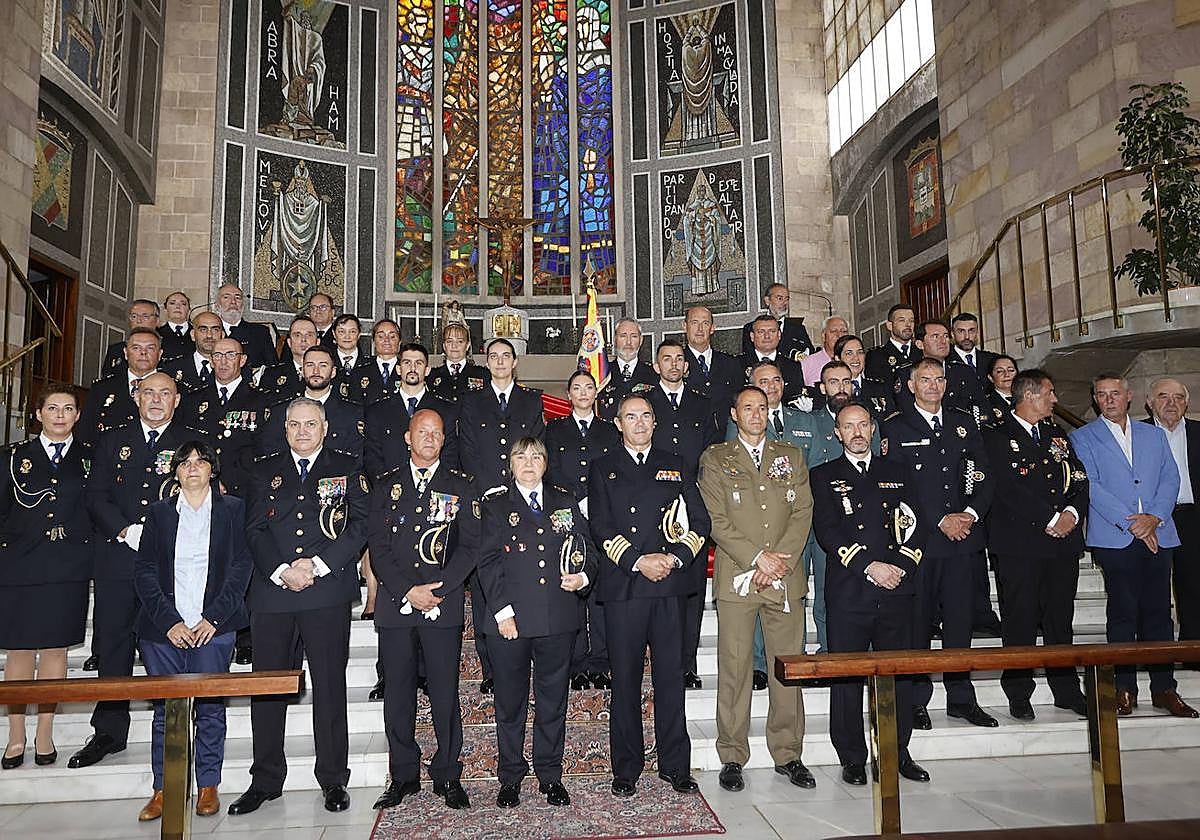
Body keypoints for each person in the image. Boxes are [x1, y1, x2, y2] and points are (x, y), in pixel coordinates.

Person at [230, 398, 370, 815]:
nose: (303, 432)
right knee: (267, 690)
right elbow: (254, 528)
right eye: (295, 425)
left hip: (326, 591)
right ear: (285, 428)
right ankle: (265, 780)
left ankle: (333, 778)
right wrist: (281, 570)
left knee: (329, 687)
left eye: (311, 424)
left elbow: (360, 524)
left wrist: (318, 565)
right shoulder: (264, 469)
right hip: (273, 593)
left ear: (325, 427)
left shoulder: (347, 467)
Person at [72, 372, 209, 769]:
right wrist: (124, 529)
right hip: (119, 559)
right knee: (113, 645)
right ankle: (109, 731)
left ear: (177, 400)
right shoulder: (112, 440)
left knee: (169, 645)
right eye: (148, 392)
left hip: (172, 564)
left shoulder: (192, 443)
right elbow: (95, 495)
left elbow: (205, 497)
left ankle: (175, 728)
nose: (156, 399)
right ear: (136, 396)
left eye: (165, 393)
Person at [587, 394, 711, 798]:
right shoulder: (602, 467)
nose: (638, 423)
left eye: (645, 416)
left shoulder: (676, 464)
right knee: (625, 681)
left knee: (671, 679)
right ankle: (626, 769)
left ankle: (675, 765)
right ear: (618, 424)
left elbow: (701, 521)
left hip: (669, 586)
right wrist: (638, 561)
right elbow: (600, 526)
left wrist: (673, 559)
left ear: (655, 422)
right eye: (630, 417)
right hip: (626, 587)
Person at [699, 386, 815, 794]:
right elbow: (714, 518)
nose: (756, 414)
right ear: (734, 413)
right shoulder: (717, 458)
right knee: (735, 668)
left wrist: (778, 561)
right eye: (747, 408)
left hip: (784, 576)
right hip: (739, 578)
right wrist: (756, 559)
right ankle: (732, 755)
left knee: (787, 667)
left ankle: (788, 753)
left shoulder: (791, 456)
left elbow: (802, 511)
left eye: (762, 407)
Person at [810, 402, 930, 786]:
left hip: (896, 588)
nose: (857, 432)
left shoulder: (898, 471)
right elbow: (828, 532)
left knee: (897, 677)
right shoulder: (823, 476)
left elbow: (918, 524)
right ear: (837, 433)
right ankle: (852, 757)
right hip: (851, 591)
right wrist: (869, 566)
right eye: (849, 426)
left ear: (873, 428)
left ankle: (896, 752)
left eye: (863, 424)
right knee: (847, 679)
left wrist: (901, 566)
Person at [132, 441, 252, 821]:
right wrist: (169, 622)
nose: (193, 468)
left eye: (201, 462)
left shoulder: (234, 510)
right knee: (166, 713)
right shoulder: (159, 514)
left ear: (212, 469)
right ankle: (164, 789)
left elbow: (240, 569)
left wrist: (213, 619)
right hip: (163, 631)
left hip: (213, 628)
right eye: (185, 463)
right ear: (176, 472)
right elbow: (145, 571)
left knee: (211, 708)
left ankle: (207, 786)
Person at [367, 409, 479, 812]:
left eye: (436, 433)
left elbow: (470, 546)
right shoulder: (386, 486)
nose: (429, 438)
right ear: (407, 437)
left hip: (441, 605)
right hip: (397, 606)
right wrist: (407, 590)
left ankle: (448, 773)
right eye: (422, 432)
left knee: (445, 693)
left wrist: (440, 589)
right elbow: (378, 547)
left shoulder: (461, 486)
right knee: (398, 694)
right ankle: (403, 775)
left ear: (444, 440)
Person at [1071, 375, 1198, 718]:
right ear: (1095, 399)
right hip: (1116, 537)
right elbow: (1091, 486)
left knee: (1159, 613)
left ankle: (1164, 688)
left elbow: (1171, 478)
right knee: (1123, 612)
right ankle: (1124, 688)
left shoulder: (1153, 435)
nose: (1109, 399)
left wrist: (1154, 518)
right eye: (1102, 395)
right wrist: (1134, 523)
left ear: (1129, 397)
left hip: (1160, 532)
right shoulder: (1082, 437)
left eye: (1115, 393)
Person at [881, 358, 998, 731]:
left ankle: (961, 698)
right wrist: (939, 520)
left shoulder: (963, 422)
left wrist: (970, 514)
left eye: (938, 379)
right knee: (918, 625)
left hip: (963, 541)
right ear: (911, 385)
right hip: (921, 544)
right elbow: (896, 486)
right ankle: (916, 699)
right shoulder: (895, 427)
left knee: (960, 624)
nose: (933, 385)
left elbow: (984, 473)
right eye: (925, 379)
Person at [478, 438, 596, 807]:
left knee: (552, 702)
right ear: (510, 464)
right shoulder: (496, 505)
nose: (528, 463)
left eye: (536, 456)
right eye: (521, 456)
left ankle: (550, 775)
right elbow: (487, 562)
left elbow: (589, 550)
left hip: (556, 618)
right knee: (510, 705)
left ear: (546, 463)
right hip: (510, 621)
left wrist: (582, 577)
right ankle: (511, 777)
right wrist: (502, 613)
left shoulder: (564, 500)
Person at [981, 370, 1089, 720]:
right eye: (1050, 392)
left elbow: (1079, 479)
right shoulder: (996, 436)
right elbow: (1006, 489)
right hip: (1020, 545)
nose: (1055, 399)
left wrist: (1072, 513)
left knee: (1060, 620)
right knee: (1020, 620)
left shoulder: (1057, 434)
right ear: (1029, 396)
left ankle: (1066, 690)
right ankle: (1019, 692)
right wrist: (1050, 518)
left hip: (1062, 545)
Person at [0, 386, 93, 769]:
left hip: (68, 568)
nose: (60, 415)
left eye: (68, 409)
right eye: (52, 408)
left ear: (77, 416)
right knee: (19, 652)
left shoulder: (90, 458)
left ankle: (44, 734)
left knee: (56, 651)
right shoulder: (12, 458)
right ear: (38, 414)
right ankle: (15, 736)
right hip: (20, 566)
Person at [458, 338, 545, 694]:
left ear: (514, 362)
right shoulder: (472, 401)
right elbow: (468, 451)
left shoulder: (531, 400)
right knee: (487, 580)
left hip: (523, 499)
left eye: (505, 356)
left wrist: (519, 488)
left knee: (524, 574)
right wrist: (488, 491)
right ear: (486, 362)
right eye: (493, 357)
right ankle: (490, 666)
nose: (499, 362)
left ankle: (529, 655)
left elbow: (536, 447)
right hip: (486, 503)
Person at [647, 338, 721, 688]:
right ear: (656, 365)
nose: (674, 364)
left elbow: (711, 454)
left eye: (679, 359)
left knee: (691, 590)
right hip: (654, 507)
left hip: (692, 504)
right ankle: (662, 664)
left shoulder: (702, 404)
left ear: (687, 366)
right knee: (661, 590)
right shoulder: (645, 404)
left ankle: (687, 665)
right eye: (667, 359)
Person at [545, 370, 620, 689]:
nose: (583, 392)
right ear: (568, 394)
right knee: (573, 587)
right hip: (568, 515)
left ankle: (600, 662)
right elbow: (550, 469)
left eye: (589, 387)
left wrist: (595, 499)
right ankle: (576, 664)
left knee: (600, 590)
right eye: (577, 388)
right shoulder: (555, 429)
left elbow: (615, 470)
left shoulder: (609, 430)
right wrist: (576, 500)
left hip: (602, 515)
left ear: (596, 392)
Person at [1145, 377, 1200, 659]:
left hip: (1192, 518)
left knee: (1194, 585)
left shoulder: (1198, 432)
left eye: (1178, 398)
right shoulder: (1137, 433)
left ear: (1186, 403)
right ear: (1149, 402)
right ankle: (1153, 653)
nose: (1171, 403)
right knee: (1151, 589)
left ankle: (1193, 650)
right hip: (1152, 519)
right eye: (1163, 397)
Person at [178, 336, 269, 500]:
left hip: (242, 489)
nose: (223, 361)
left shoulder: (261, 400)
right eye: (218, 355)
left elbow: (262, 448)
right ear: (211, 361)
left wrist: (229, 481)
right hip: (200, 487)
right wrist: (211, 481)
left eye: (231, 355)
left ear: (242, 360)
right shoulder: (193, 399)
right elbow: (186, 444)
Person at [364, 342, 461, 481]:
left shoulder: (445, 410)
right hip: (389, 488)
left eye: (419, 363)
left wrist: (432, 485)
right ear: (398, 369)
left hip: (434, 487)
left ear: (427, 370)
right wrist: (388, 486)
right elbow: (372, 457)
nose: (413, 368)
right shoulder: (377, 410)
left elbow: (450, 455)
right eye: (407, 363)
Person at [258, 346, 364, 463]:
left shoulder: (352, 413)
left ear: (333, 372)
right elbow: (270, 454)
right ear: (302, 371)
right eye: (310, 365)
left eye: (323, 365)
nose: (316, 371)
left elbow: (356, 459)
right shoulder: (280, 411)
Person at [77, 327, 169, 445]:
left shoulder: (175, 389)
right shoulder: (101, 389)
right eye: (136, 348)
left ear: (160, 354)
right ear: (125, 353)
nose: (143, 353)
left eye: (150, 348)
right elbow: (86, 434)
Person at [683, 305, 743, 422]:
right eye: (694, 323)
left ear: (712, 328)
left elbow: (739, 401)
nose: (700, 329)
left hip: (724, 430)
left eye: (705, 323)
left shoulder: (730, 363)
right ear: (685, 327)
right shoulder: (676, 364)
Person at [596, 318, 656, 417]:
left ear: (641, 340)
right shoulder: (602, 372)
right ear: (615, 339)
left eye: (634, 336)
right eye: (623, 336)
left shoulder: (653, 374)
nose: (628, 342)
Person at [740, 283, 815, 361]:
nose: (785, 303)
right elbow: (748, 356)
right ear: (767, 301)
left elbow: (810, 354)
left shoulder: (797, 328)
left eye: (787, 299)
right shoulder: (751, 327)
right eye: (780, 298)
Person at [740, 315, 804, 402]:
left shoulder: (792, 367)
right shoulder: (737, 364)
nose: (767, 336)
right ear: (752, 336)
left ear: (779, 335)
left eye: (772, 331)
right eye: (761, 332)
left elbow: (795, 398)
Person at [214, 283, 277, 370]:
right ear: (217, 305)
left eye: (237, 298)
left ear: (243, 305)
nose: (233, 302)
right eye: (226, 297)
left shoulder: (260, 333)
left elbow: (273, 367)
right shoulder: (210, 333)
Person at [163, 311, 225, 395]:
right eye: (203, 330)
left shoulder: (233, 368)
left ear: (222, 335)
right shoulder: (172, 368)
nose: (209, 335)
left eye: (215, 330)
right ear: (193, 335)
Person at [257, 315, 318, 400]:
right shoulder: (271, 374)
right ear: (289, 342)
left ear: (318, 342)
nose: (303, 339)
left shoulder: (327, 374)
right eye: (297, 335)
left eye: (309, 335)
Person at [833, 334, 893, 420]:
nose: (856, 358)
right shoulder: (833, 390)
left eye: (860, 352)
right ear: (838, 359)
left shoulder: (881, 388)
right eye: (849, 353)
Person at [428, 322, 489, 403]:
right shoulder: (432, 376)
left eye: (460, 341)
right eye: (449, 341)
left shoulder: (483, 374)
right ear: (444, 346)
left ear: (467, 346)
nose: (454, 346)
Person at [101, 299, 162, 376]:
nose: (139, 321)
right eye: (134, 316)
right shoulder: (116, 350)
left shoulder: (168, 348)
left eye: (145, 316)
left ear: (157, 321)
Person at [351, 319, 405, 406]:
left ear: (399, 342)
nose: (386, 340)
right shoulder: (359, 372)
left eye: (392, 336)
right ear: (373, 342)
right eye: (381, 336)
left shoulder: (407, 370)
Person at [865, 303, 917, 383]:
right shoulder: (876, 356)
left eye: (911, 321)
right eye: (902, 320)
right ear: (889, 325)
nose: (908, 325)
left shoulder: (921, 351)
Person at [949, 313, 998, 390]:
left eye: (971, 331)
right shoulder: (945, 362)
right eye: (961, 331)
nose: (967, 337)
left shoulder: (992, 360)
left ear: (977, 332)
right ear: (952, 334)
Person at [800, 316, 849, 386]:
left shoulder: (853, 361)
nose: (839, 335)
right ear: (823, 336)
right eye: (834, 331)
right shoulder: (807, 363)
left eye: (844, 331)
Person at [984, 355, 1018, 427]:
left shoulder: (1028, 397)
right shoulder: (986, 404)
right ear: (990, 378)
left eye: (1011, 370)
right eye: (1000, 371)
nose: (1007, 374)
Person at [159, 291, 195, 359]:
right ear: (165, 309)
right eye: (172, 303)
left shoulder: (197, 333)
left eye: (183, 304)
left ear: (189, 310)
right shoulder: (157, 334)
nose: (178, 307)